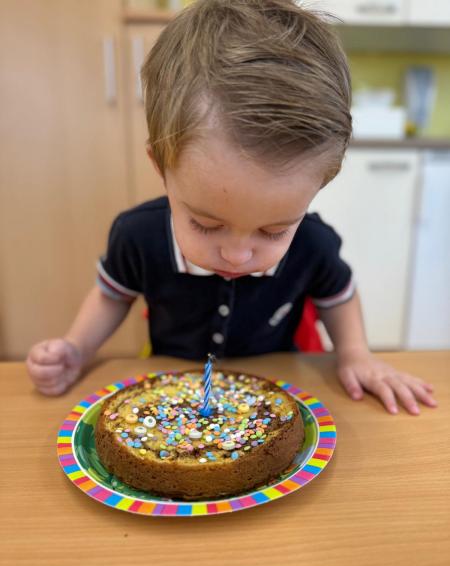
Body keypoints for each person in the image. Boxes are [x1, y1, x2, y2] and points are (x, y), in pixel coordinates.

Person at [26, 0, 436, 415]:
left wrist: (355, 353)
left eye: (273, 231)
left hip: (279, 394)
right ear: (162, 166)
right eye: (206, 225)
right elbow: (111, 296)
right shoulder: (138, 235)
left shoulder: (313, 243)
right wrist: (77, 348)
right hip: (171, 394)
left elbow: (338, 296)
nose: (238, 256)